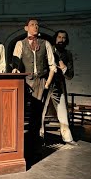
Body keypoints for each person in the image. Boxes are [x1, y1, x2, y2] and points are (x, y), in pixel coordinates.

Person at [12, 19, 75, 147]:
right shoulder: (37, 45)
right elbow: (19, 61)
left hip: (54, 84)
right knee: (39, 111)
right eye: (59, 37)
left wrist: (62, 69)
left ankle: (67, 137)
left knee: (61, 110)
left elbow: (67, 73)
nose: (61, 40)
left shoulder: (64, 52)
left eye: (64, 38)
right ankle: (38, 137)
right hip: (37, 82)